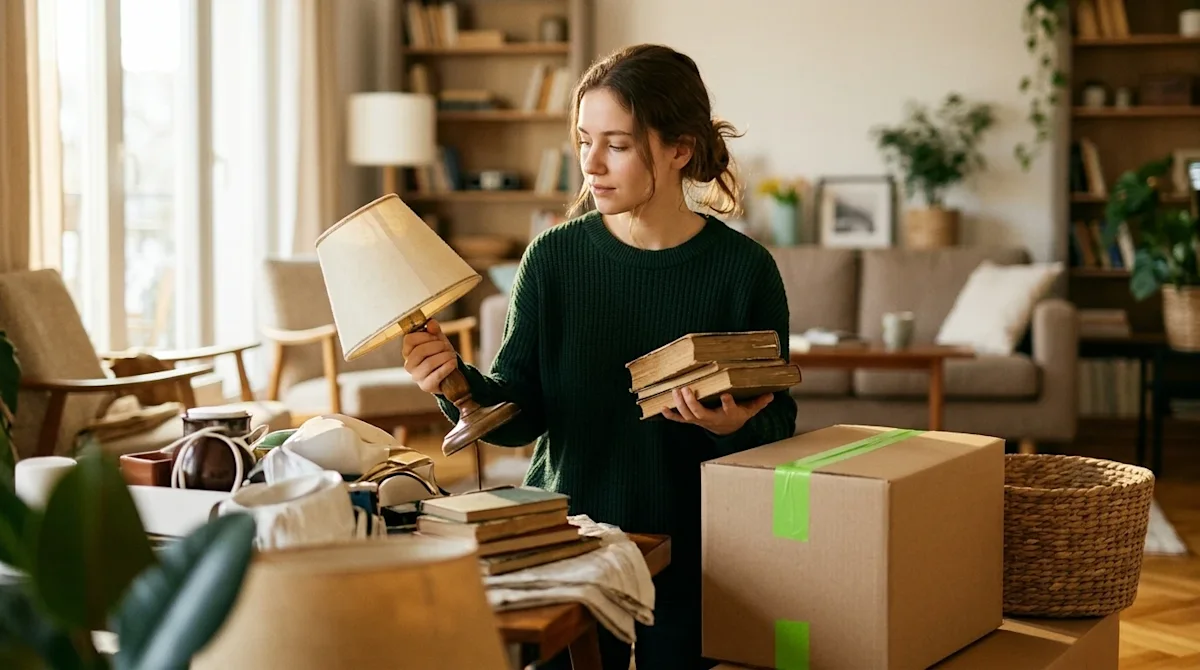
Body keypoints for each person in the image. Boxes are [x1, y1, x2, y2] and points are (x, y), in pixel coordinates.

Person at [402, 43, 798, 670]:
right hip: (567, 545)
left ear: (679, 149)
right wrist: (454, 381)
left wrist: (735, 425)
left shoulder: (743, 270)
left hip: (698, 555)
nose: (590, 163)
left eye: (616, 144)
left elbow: (780, 424)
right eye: (584, 139)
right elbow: (523, 408)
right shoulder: (553, 259)